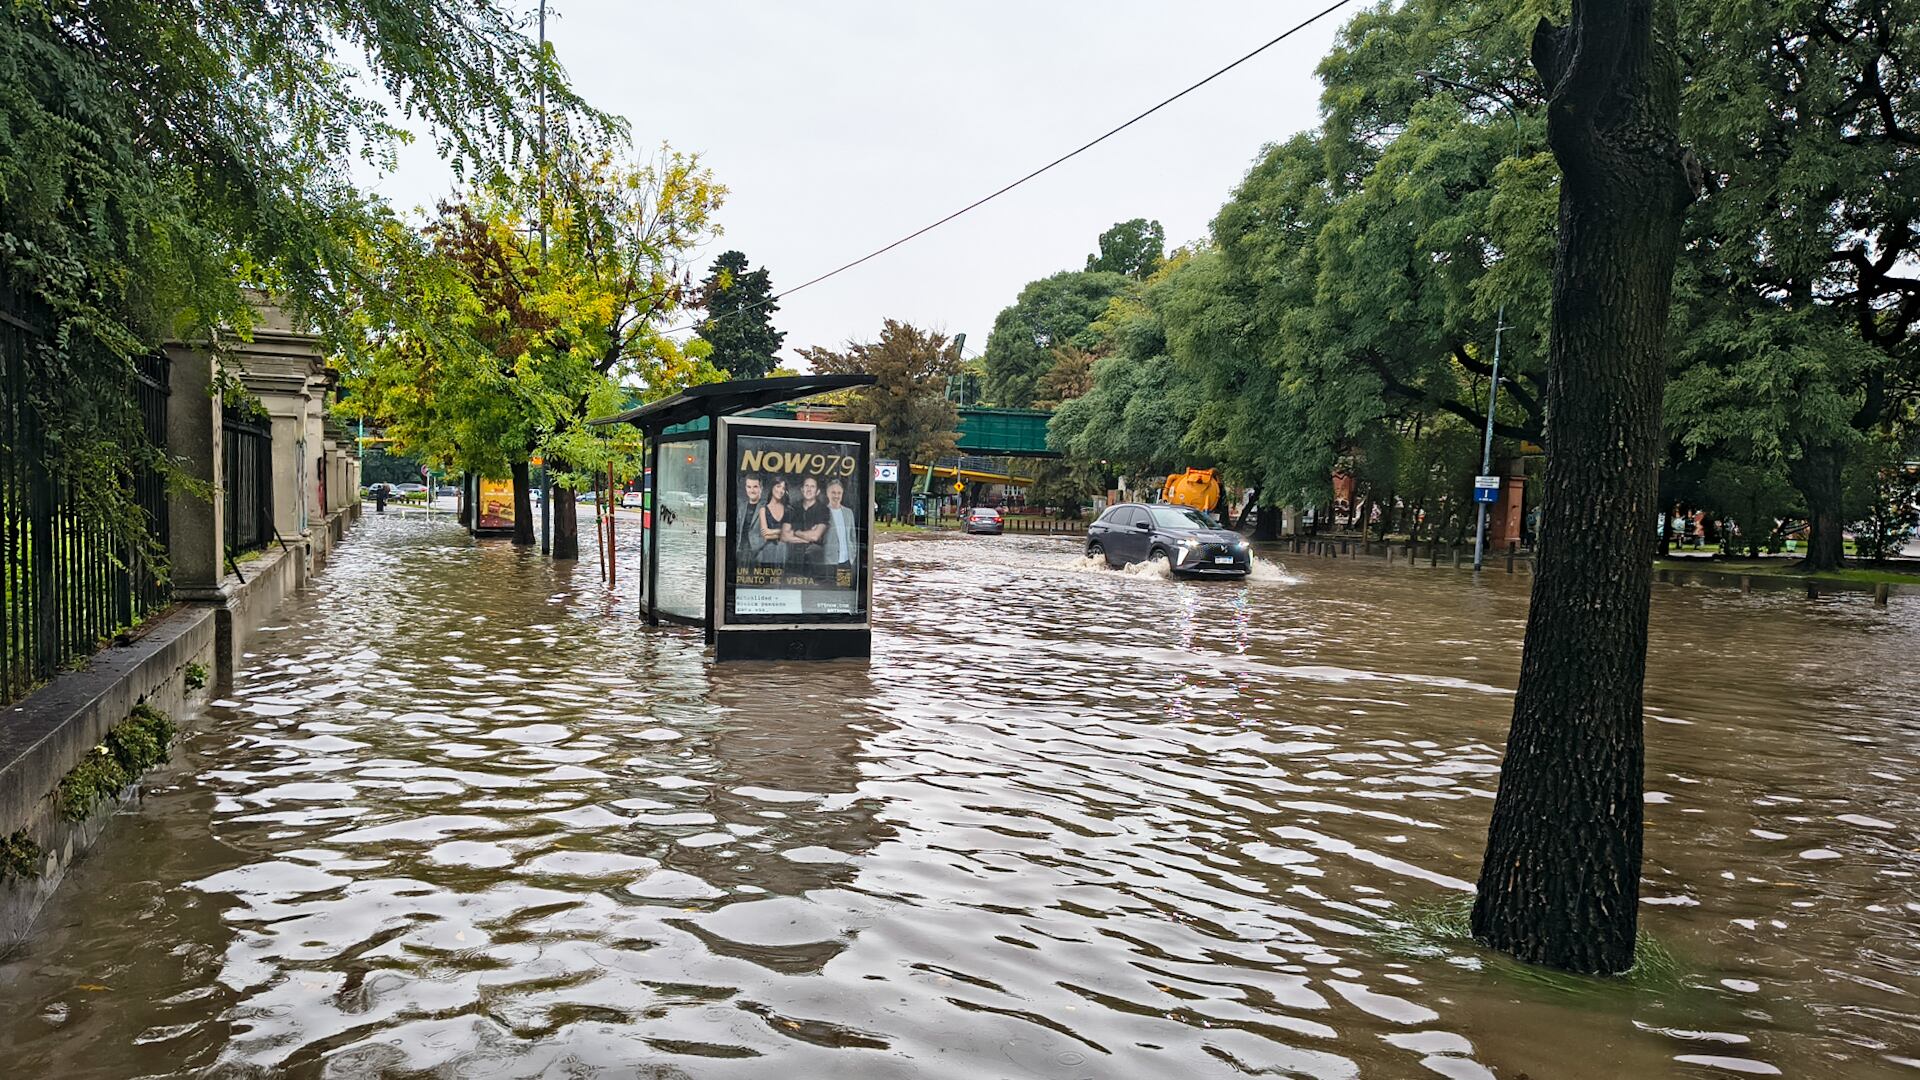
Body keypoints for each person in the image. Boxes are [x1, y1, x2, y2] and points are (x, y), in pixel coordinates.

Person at [782, 475, 830, 576]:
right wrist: (807, 537)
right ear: (802, 489)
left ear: (817, 491)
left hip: (815, 562)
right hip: (793, 560)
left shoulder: (823, 509)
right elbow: (784, 536)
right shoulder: (792, 508)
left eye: (812, 486)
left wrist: (795, 532)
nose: (809, 489)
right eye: (806, 486)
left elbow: (815, 536)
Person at [822, 477, 857, 584]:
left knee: (843, 589)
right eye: (833, 492)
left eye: (839, 493)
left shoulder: (848, 512)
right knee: (829, 589)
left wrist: (853, 553)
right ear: (827, 493)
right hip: (829, 561)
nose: (836, 496)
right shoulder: (822, 511)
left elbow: (852, 536)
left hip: (846, 561)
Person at [755, 476, 790, 569]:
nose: (781, 490)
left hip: (783, 551)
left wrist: (773, 532)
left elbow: (791, 533)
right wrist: (782, 532)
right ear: (772, 488)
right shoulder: (763, 509)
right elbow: (765, 535)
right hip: (767, 551)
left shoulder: (788, 510)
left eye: (783, 488)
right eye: (778, 486)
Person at [736, 474, 766, 569]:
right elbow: (737, 529)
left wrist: (760, 549)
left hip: (758, 553)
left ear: (761, 488)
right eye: (749, 487)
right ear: (745, 488)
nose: (752, 490)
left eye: (755, 487)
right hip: (740, 551)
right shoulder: (741, 507)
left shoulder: (767, 507)